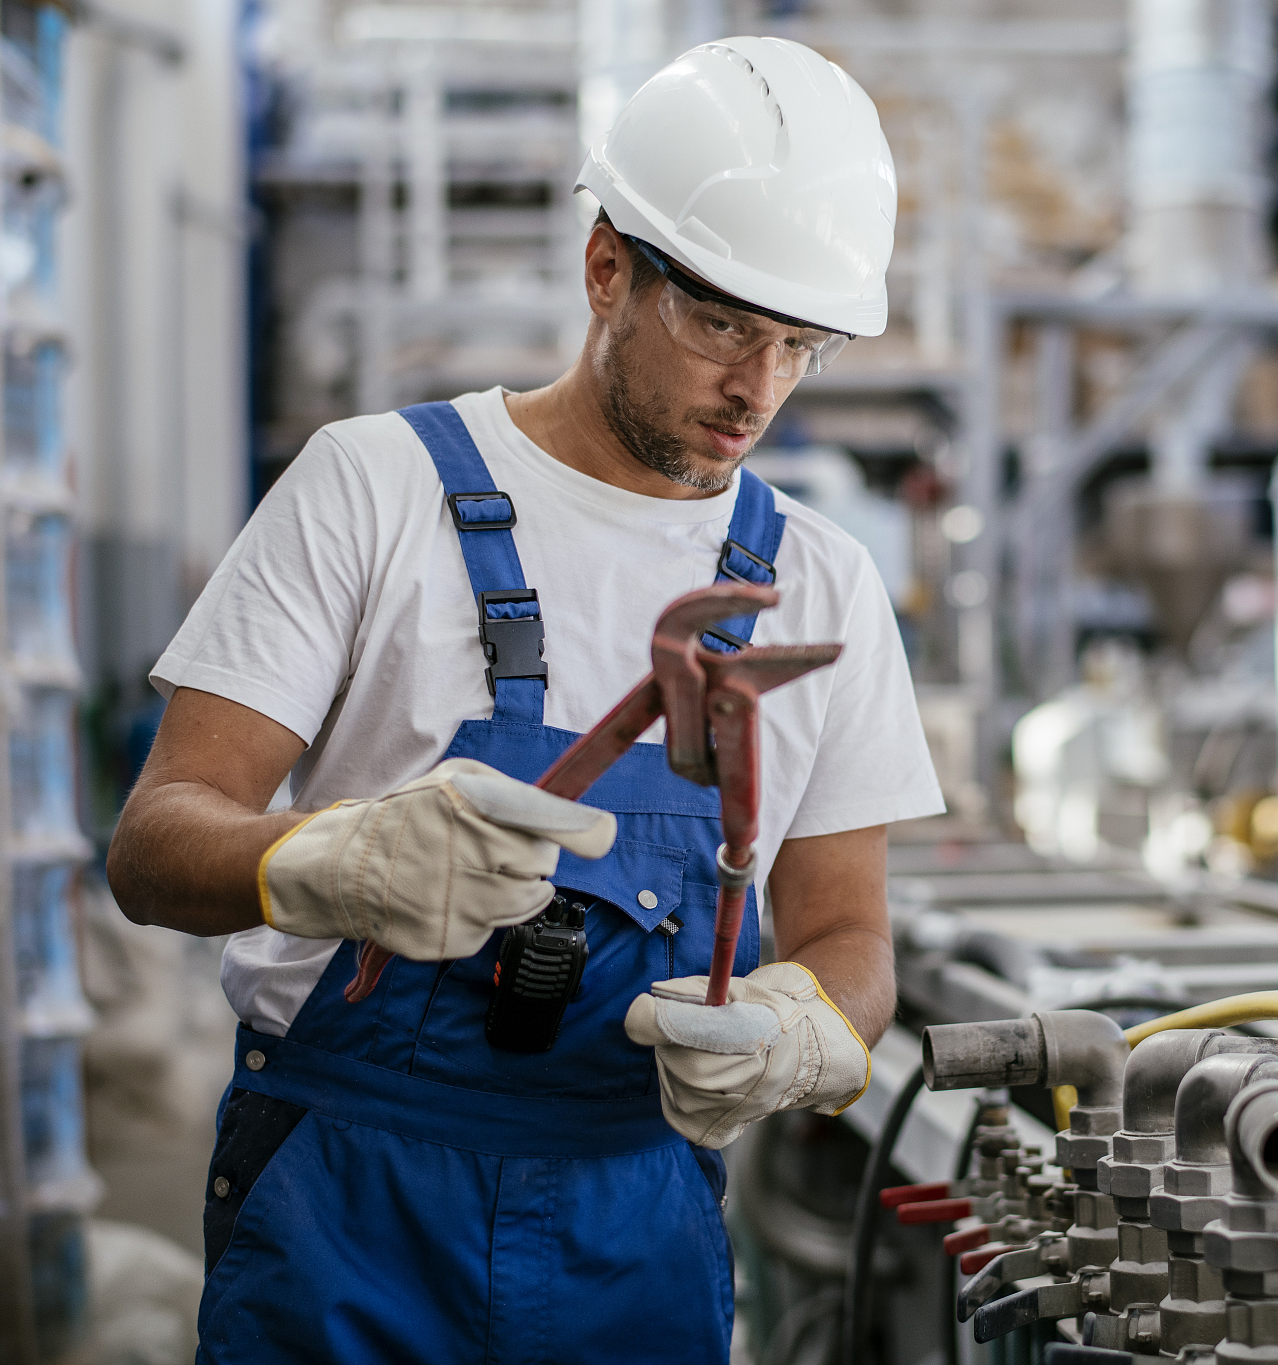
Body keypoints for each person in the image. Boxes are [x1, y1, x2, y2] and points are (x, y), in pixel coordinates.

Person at [106, 37, 940, 1362]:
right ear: (607, 266)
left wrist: (802, 1025)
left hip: (636, 1233)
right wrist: (324, 862)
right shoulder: (373, 487)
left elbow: (850, 936)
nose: (758, 388)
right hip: (348, 1215)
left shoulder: (821, 584)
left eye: (801, 343)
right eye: (724, 324)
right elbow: (153, 846)